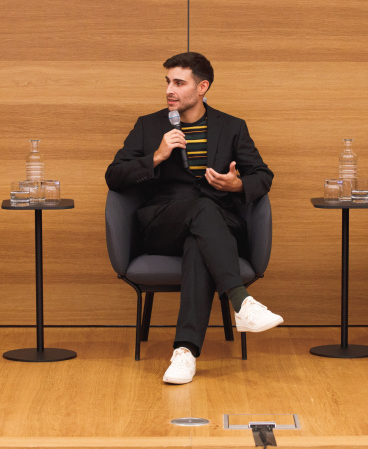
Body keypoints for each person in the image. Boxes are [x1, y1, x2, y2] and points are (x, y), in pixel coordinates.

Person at [105, 52, 283, 384]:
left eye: (179, 82)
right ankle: (240, 300)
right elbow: (114, 176)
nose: (170, 90)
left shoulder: (231, 128)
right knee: (201, 213)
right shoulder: (149, 126)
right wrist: (156, 156)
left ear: (202, 87)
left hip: (215, 227)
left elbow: (263, 176)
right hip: (163, 224)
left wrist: (238, 183)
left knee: (198, 241)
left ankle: (184, 353)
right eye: (167, 82)